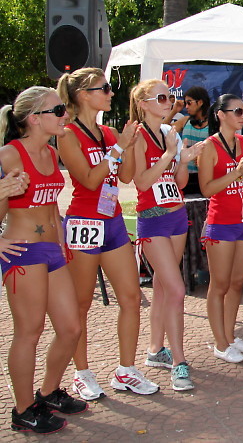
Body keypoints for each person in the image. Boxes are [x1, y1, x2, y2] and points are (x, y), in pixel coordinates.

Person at [56, 68, 158, 400]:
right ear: (84, 95)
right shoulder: (68, 134)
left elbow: (125, 176)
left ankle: (126, 370)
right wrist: (118, 149)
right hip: (83, 222)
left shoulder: (110, 131)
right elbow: (88, 179)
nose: (112, 93)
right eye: (105, 88)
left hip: (112, 221)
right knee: (81, 303)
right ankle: (82, 373)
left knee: (131, 297)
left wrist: (128, 147)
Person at [0, 87, 87, 434]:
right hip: (23, 251)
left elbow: (51, 204)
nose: (65, 115)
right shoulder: (10, 154)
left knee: (71, 328)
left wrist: (62, 241)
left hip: (52, 250)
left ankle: (48, 392)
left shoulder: (51, 152)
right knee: (29, 331)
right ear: (35, 118)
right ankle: (23, 410)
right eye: (59, 109)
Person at [130, 79, 204, 391]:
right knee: (176, 289)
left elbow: (179, 182)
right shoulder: (137, 136)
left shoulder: (168, 132)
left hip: (176, 214)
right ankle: (179, 362)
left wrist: (183, 160)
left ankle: (155, 349)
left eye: (169, 96)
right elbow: (142, 182)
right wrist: (169, 154)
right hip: (152, 219)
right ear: (143, 104)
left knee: (163, 287)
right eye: (161, 97)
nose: (168, 102)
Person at [198, 94, 243, 363]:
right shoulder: (209, 146)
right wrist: (235, 173)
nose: (242, 116)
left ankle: (229, 334)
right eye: (237, 111)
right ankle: (220, 343)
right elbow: (206, 189)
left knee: (237, 282)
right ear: (221, 114)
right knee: (220, 284)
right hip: (221, 222)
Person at [166, 86, 211, 196]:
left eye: (189, 103)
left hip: (206, 177)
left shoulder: (214, 124)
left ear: (200, 102)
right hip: (184, 176)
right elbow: (163, 130)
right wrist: (174, 111)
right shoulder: (185, 121)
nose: (186, 107)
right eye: (185, 103)